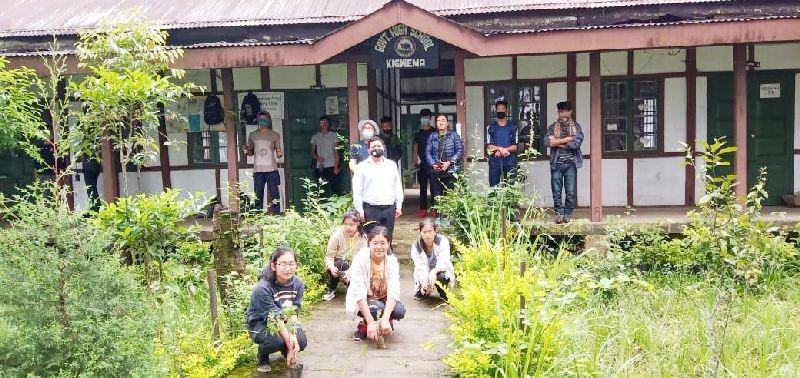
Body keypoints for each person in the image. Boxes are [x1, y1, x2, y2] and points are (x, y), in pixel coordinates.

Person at [246, 247, 307, 373]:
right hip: (261, 323)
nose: (288, 268)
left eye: (291, 264)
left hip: (283, 320)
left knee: (300, 341)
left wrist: (293, 336)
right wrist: (290, 346)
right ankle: (263, 355)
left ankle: (286, 350)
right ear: (273, 266)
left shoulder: (298, 283)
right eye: (283, 264)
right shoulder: (262, 288)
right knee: (276, 341)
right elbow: (275, 318)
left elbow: (294, 311)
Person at [345, 226, 405, 349]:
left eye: (383, 243)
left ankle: (385, 321)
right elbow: (359, 292)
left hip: (383, 298)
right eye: (375, 243)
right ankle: (365, 324)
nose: (379, 247)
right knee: (376, 309)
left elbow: (394, 291)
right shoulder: (361, 259)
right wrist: (371, 321)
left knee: (399, 311)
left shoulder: (392, 261)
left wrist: (386, 318)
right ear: (369, 243)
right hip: (366, 299)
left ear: (388, 244)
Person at [352, 137, 404, 236]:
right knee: (371, 238)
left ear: (383, 148)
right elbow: (357, 190)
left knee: (387, 238)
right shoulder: (362, 167)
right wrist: (359, 210)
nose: (376, 148)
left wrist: (399, 205)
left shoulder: (391, 165)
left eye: (379, 146)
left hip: (389, 208)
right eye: (373, 146)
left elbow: (397, 186)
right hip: (370, 209)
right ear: (368, 150)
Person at [544, 101, 584, 224]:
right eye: (561, 111)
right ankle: (559, 214)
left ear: (570, 112)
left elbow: (576, 144)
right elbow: (546, 142)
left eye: (566, 111)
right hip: (556, 163)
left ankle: (568, 214)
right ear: (558, 112)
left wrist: (556, 142)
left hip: (571, 163)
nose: (563, 114)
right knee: (556, 191)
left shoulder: (576, 127)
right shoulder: (552, 127)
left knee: (570, 191)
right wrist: (566, 139)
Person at [323, 210, 367, 301]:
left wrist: (350, 272)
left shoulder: (363, 238)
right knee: (338, 264)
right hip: (339, 264)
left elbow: (363, 258)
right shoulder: (337, 235)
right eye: (345, 224)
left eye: (351, 225)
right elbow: (329, 256)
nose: (348, 227)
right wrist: (331, 267)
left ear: (358, 224)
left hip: (356, 265)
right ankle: (331, 289)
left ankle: (353, 287)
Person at [425, 114, 464, 216]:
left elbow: (459, 151)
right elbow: (427, 152)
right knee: (436, 193)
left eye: (443, 120)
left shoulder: (454, 135)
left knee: (448, 193)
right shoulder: (432, 136)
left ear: (447, 123)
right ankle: (438, 216)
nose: (441, 122)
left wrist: (449, 162)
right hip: (436, 170)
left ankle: (446, 216)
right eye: (438, 121)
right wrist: (433, 163)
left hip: (450, 169)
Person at [245, 111, 283, 214]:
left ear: (269, 120)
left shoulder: (275, 135)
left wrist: (280, 153)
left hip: (272, 170)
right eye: (260, 119)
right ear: (258, 121)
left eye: (265, 119)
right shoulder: (252, 135)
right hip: (258, 171)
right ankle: (258, 216)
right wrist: (247, 151)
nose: (262, 121)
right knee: (258, 195)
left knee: (275, 194)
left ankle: (277, 216)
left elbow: (279, 152)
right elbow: (251, 152)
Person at [410, 217, 455, 301]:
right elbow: (420, 266)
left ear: (435, 231)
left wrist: (433, 272)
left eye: (430, 231)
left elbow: (444, 262)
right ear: (420, 232)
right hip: (424, 272)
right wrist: (425, 282)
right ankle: (423, 290)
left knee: (442, 276)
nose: (427, 235)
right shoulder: (416, 246)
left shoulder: (442, 241)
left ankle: (443, 291)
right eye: (424, 232)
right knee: (423, 283)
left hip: (439, 271)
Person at [486, 100, 519, 187]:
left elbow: (515, 146)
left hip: (510, 162)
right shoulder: (490, 128)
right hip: (495, 162)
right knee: (494, 189)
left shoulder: (513, 127)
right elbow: (489, 146)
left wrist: (504, 150)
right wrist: (500, 149)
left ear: (506, 111)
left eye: (502, 109)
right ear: (496, 111)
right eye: (498, 109)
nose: (500, 111)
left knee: (511, 189)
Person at [310, 116, 341, 195]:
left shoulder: (333, 135)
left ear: (329, 124)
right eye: (322, 122)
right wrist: (318, 158)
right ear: (319, 124)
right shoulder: (316, 136)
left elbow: (336, 151)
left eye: (326, 121)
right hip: (320, 167)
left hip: (332, 165)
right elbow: (312, 152)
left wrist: (336, 167)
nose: (324, 123)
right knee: (321, 190)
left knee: (334, 188)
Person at [412, 109, 435, 218]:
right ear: (420, 118)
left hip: (434, 164)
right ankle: (423, 209)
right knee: (423, 187)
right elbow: (415, 148)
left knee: (434, 188)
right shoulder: (417, 133)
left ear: (430, 118)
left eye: (427, 117)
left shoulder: (435, 131)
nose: (425, 119)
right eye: (423, 117)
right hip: (422, 164)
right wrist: (415, 160)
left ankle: (435, 208)